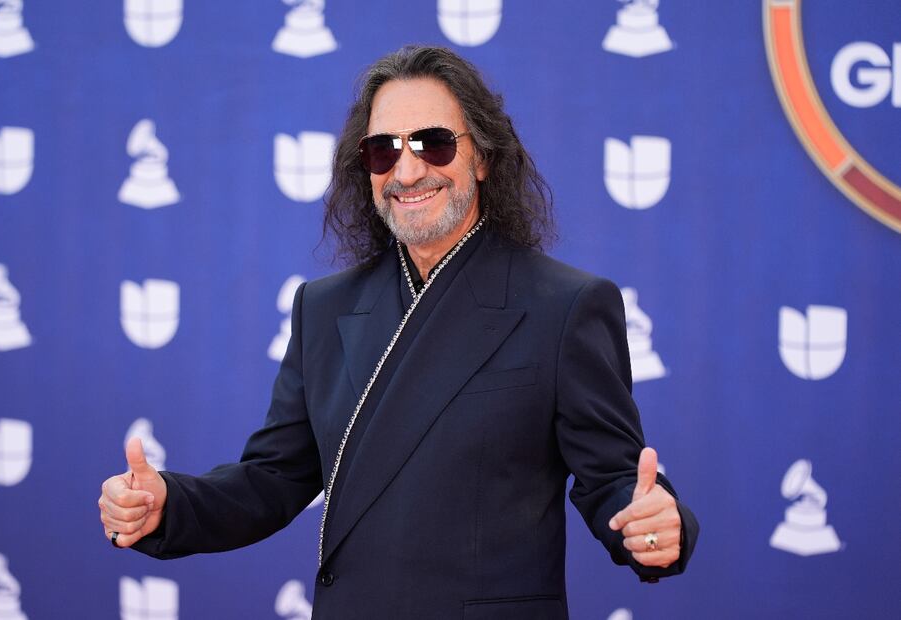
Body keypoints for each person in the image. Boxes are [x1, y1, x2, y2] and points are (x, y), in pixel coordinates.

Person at [99, 45, 698, 619]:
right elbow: (273, 479)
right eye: (384, 149)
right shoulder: (325, 307)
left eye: (433, 144)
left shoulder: (565, 306)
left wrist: (650, 521)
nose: (407, 170)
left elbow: (615, 480)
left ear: (483, 157)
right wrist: (167, 506)